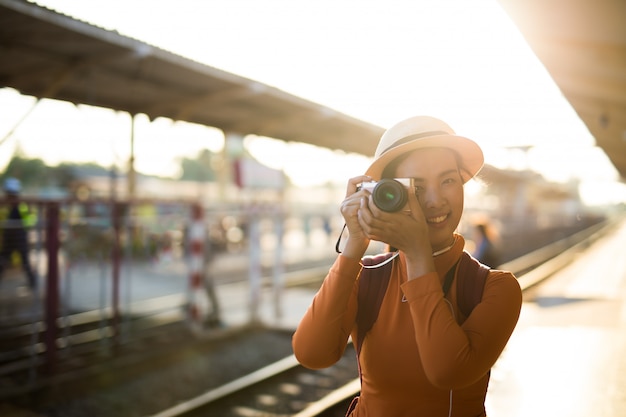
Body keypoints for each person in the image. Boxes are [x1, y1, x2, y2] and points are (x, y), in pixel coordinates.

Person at [292, 116, 522, 416]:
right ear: (387, 194)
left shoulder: (495, 288)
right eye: (416, 187)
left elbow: (447, 372)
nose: (435, 200)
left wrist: (416, 255)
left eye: (448, 180)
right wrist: (354, 245)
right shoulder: (368, 277)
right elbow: (312, 353)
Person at [0, 177, 38, 291]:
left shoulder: (20, 205)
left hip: (19, 237)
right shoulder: (6, 205)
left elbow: (29, 220)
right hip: (10, 237)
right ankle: (33, 284)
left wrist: (23, 227)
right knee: (3, 259)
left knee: (23, 261)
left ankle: (33, 284)